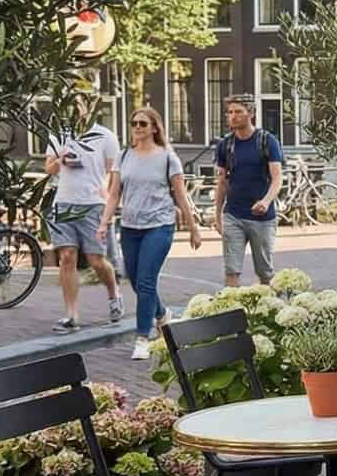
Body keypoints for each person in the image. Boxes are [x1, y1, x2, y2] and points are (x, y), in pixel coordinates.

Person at [101, 106, 203, 359]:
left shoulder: (168, 157)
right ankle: (162, 314)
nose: (137, 127)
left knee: (146, 281)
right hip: (130, 226)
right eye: (134, 123)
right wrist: (103, 223)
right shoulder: (124, 156)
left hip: (159, 225)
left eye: (143, 123)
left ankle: (142, 338)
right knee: (135, 279)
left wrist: (193, 228)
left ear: (155, 128)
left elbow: (181, 195)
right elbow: (114, 194)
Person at [42, 95, 124, 332]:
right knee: (67, 257)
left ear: (89, 107)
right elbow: (48, 168)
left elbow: (114, 173)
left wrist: (109, 203)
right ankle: (71, 315)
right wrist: (60, 159)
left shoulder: (105, 136)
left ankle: (114, 293)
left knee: (96, 261)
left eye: (77, 105)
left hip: (93, 205)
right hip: (64, 204)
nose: (73, 110)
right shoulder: (59, 135)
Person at [213, 94, 283, 286]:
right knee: (231, 270)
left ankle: (268, 304)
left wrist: (266, 201)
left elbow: (277, 178)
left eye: (238, 112)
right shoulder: (225, 145)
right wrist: (217, 216)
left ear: (251, 113)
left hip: (262, 218)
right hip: (233, 215)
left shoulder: (267, 141)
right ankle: (232, 304)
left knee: (265, 273)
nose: (233, 116)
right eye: (229, 112)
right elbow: (222, 182)